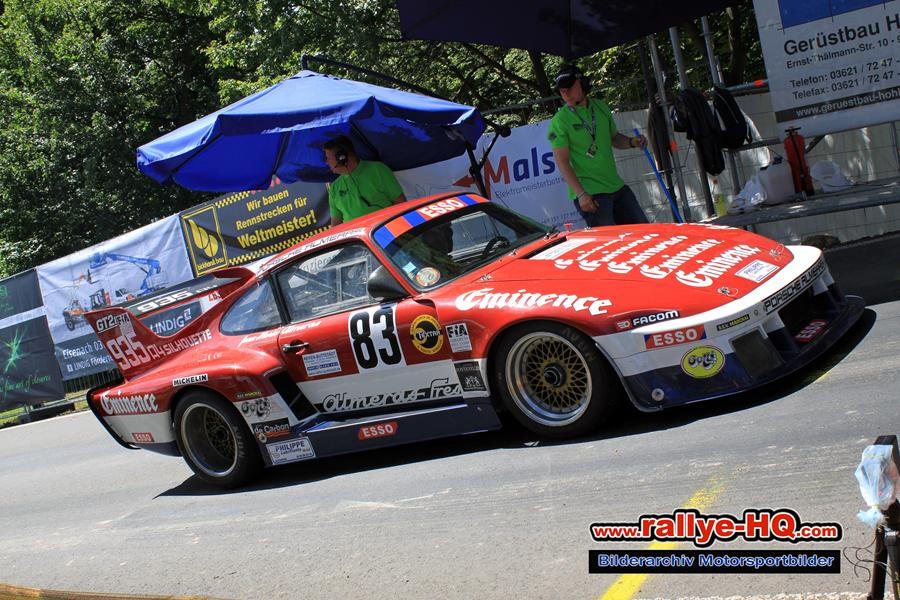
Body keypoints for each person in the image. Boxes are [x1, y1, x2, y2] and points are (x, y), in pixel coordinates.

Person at [547, 64, 650, 227]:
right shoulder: (559, 121)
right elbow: (562, 161)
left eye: (569, 87)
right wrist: (581, 194)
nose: (565, 93)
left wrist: (632, 142)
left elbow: (614, 138)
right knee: (611, 241)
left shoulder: (600, 106)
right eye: (561, 90)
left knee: (643, 232)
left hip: (616, 186)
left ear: (583, 84)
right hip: (591, 195)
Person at [323, 136, 406, 227]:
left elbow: (401, 202)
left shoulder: (378, 170)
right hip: (358, 236)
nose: (326, 162)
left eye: (328, 158)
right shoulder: (334, 187)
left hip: (387, 231)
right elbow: (336, 223)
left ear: (342, 157)